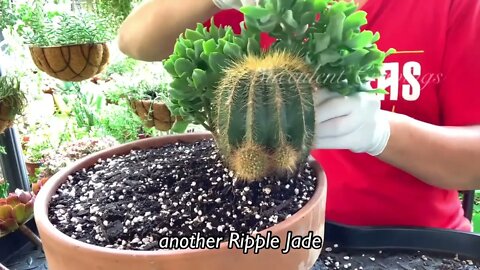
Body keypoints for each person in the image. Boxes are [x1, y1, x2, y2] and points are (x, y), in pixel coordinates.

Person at [118, 0, 480, 232]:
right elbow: (135, 41)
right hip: (271, 230)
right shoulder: (261, 6)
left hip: (411, 240)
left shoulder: (451, 6)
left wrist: (381, 133)